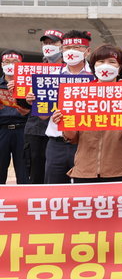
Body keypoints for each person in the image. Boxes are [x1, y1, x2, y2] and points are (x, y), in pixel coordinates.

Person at [52, 45, 122, 183]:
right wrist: (63, 123)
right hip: (85, 171)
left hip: (121, 170)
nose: (105, 66)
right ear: (94, 66)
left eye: (112, 62)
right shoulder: (79, 94)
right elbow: (72, 137)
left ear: (120, 67)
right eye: (101, 62)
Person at [37, 30, 93, 183]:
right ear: (62, 50)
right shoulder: (51, 78)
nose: (72, 51)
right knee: (55, 191)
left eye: (77, 47)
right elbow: (42, 115)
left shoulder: (96, 78)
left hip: (87, 143)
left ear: (87, 51)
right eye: (68, 48)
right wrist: (35, 101)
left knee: (86, 190)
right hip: (57, 143)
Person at [22, 29, 64, 184]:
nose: (48, 46)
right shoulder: (33, 71)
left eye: (53, 43)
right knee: (35, 171)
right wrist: (27, 99)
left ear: (62, 46)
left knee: (58, 173)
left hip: (61, 129)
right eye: (45, 43)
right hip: (36, 128)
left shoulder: (71, 71)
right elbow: (21, 102)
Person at [0, 50, 30, 184]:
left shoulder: (29, 85)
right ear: (2, 64)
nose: (10, 65)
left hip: (23, 129)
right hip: (2, 130)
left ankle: (25, 201)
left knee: (24, 169)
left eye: (15, 62)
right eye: (7, 62)